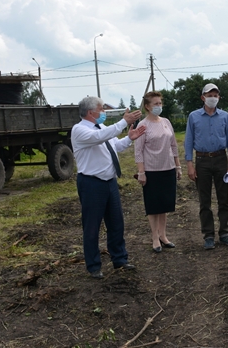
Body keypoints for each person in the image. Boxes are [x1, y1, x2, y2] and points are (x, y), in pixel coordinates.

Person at [71, 96, 145, 279]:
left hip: (109, 182)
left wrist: (129, 138)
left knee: (116, 223)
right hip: (91, 183)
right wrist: (123, 122)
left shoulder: (102, 127)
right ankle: (94, 266)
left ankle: (120, 258)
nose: (103, 112)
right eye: (101, 109)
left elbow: (114, 146)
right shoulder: (79, 130)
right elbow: (99, 138)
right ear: (90, 112)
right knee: (92, 226)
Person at [184, 83, 228, 250]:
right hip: (202, 161)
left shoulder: (224, 117)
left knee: (224, 199)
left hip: (221, 159)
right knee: (204, 200)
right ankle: (208, 235)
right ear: (203, 97)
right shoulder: (193, 116)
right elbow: (188, 141)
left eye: (215, 95)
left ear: (218, 97)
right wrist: (190, 165)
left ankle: (225, 233)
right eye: (209, 95)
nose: (212, 98)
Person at [134, 91, 182, 253]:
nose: (159, 106)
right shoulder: (142, 125)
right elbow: (138, 151)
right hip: (151, 171)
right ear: (147, 106)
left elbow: (173, 145)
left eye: (160, 103)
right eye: (155, 104)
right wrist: (141, 172)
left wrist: (178, 166)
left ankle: (163, 235)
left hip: (168, 169)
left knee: (164, 204)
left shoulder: (166, 122)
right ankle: (154, 237)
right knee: (153, 206)